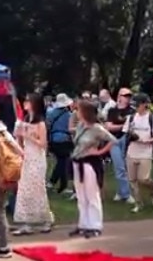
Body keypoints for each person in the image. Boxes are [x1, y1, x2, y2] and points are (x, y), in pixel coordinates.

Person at [70, 100, 116, 238]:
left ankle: (95, 225)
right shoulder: (80, 126)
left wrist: (99, 152)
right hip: (77, 161)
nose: (77, 113)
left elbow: (113, 140)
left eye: (79, 110)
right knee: (81, 196)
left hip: (90, 163)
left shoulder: (97, 128)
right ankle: (83, 224)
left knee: (92, 195)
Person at [13, 93, 54, 236]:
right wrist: (18, 137)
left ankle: (46, 220)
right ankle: (26, 223)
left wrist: (27, 135)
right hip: (27, 157)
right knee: (24, 189)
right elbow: (20, 142)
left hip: (37, 158)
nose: (25, 103)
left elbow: (43, 144)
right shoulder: (25, 120)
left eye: (28, 101)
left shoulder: (41, 123)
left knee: (37, 188)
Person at [0, 109, 23, 258]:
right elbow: (20, 152)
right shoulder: (4, 133)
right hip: (6, 177)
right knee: (0, 211)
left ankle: (3, 246)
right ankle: (4, 247)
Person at [123, 93, 153, 213]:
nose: (136, 108)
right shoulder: (131, 118)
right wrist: (130, 136)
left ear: (145, 105)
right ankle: (138, 203)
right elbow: (125, 132)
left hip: (145, 152)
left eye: (138, 105)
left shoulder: (152, 119)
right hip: (131, 152)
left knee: (143, 179)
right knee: (133, 180)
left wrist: (145, 141)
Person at [106, 87, 135, 203]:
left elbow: (133, 126)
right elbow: (108, 126)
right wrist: (124, 126)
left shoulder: (132, 111)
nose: (127, 98)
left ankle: (120, 191)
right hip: (114, 140)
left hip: (127, 140)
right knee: (119, 167)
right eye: (125, 96)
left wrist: (119, 127)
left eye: (129, 96)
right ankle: (126, 194)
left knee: (125, 167)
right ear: (119, 97)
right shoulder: (112, 111)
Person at [47, 93, 73, 193]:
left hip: (53, 139)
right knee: (63, 163)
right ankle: (55, 183)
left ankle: (62, 185)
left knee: (61, 162)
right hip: (64, 140)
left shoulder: (51, 113)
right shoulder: (68, 115)